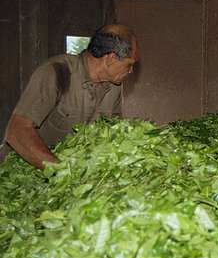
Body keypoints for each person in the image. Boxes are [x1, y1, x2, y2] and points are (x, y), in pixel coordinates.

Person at [0, 23, 139, 170]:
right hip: (22, 172)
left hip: (69, 174)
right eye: (129, 65)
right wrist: (59, 173)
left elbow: (115, 135)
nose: (130, 71)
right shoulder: (57, 73)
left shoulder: (114, 87)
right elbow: (17, 131)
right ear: (111, 58)